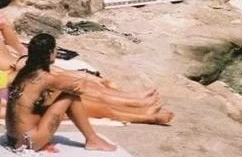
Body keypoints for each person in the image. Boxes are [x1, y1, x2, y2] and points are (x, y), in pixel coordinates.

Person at [0, 15, 173, 125]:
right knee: (87, 101)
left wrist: (25, 53)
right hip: (12, 87)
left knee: (85, 84)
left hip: (19, 69)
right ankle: (143, 115)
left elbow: (15, 45)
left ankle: (132, 100)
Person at [6, 33, 117, 152]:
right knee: (70, 96)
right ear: (49, 52)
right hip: (29, 141)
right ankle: (92, 139)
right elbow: (81, 88)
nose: (56, 53)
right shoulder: (46, 78)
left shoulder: (24, 73)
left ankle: (91, 139)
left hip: (12, 139)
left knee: (49, 101)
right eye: (55, 50)